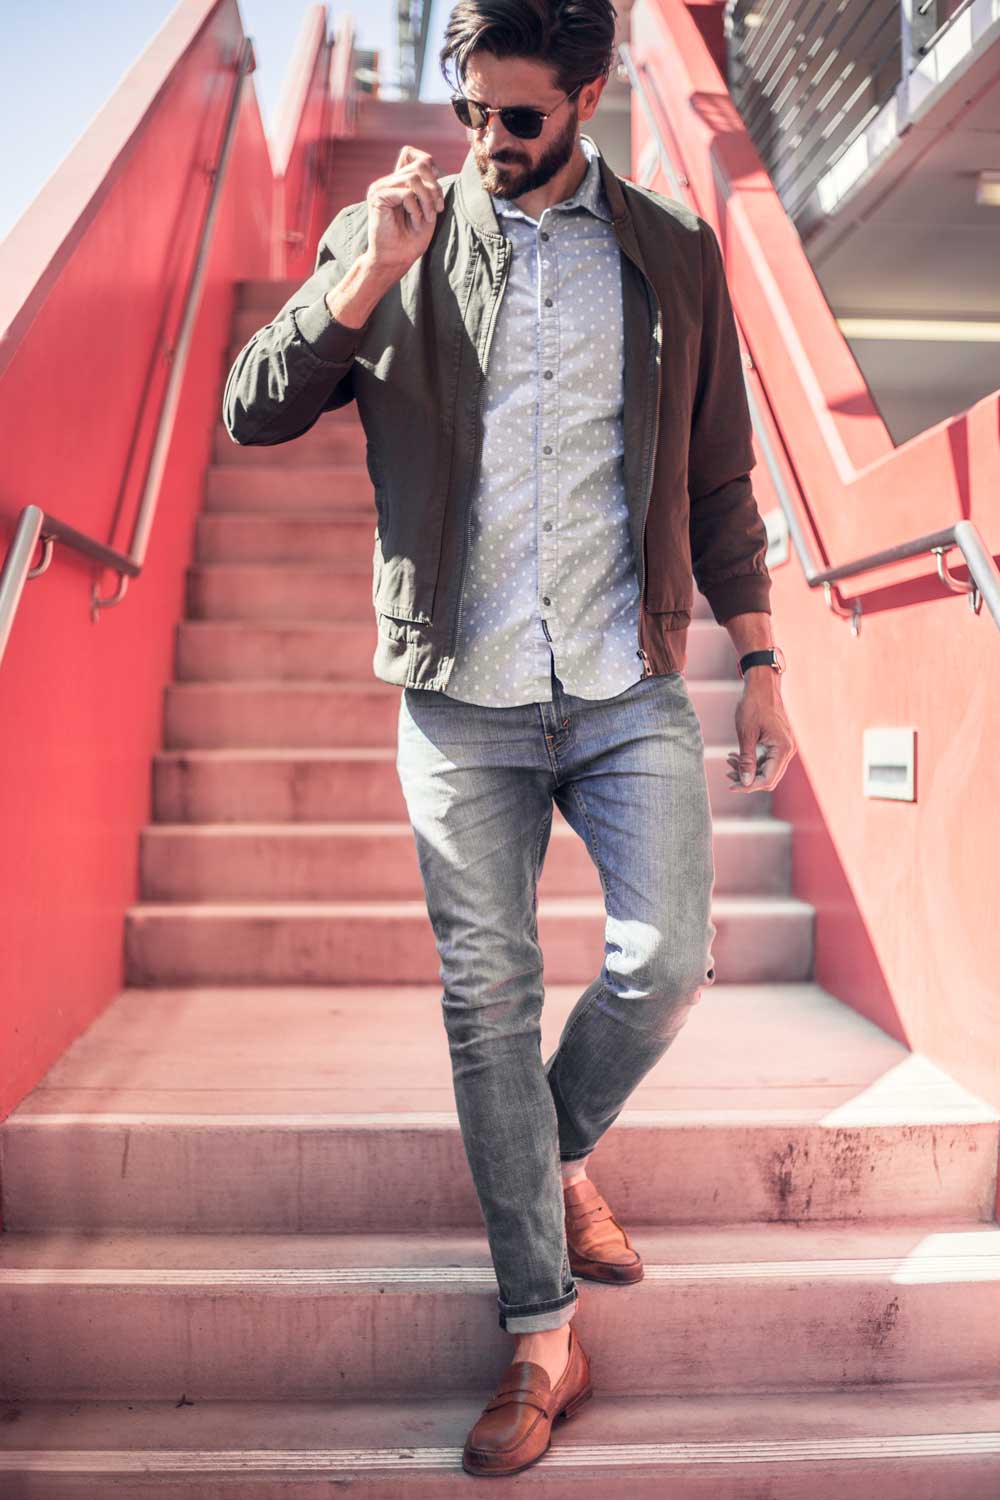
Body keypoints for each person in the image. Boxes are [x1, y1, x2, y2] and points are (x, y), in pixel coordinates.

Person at [224, 0, 797, 1476]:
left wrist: (766, 662)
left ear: (591, 101)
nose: (487, 141)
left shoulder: (671, 249)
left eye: (520, 117)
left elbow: (721, 478)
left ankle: (546, 1155)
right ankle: (541, 1336)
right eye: (472, 108)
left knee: (666, 961)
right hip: (459, 695)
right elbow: (254, 411)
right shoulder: (398, 230)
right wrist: (364, 281)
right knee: (485, 1004)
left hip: (622, 680)